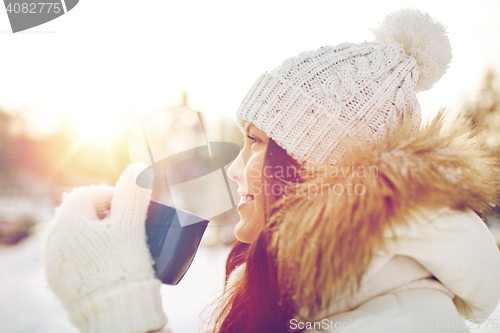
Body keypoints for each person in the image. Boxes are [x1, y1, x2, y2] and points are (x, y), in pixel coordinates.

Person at [42, 8, 500, 333]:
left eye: (258, 143)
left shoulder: (399, 322)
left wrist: (119, 313)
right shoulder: (306, 293)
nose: (236, 171)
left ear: (320, 168)